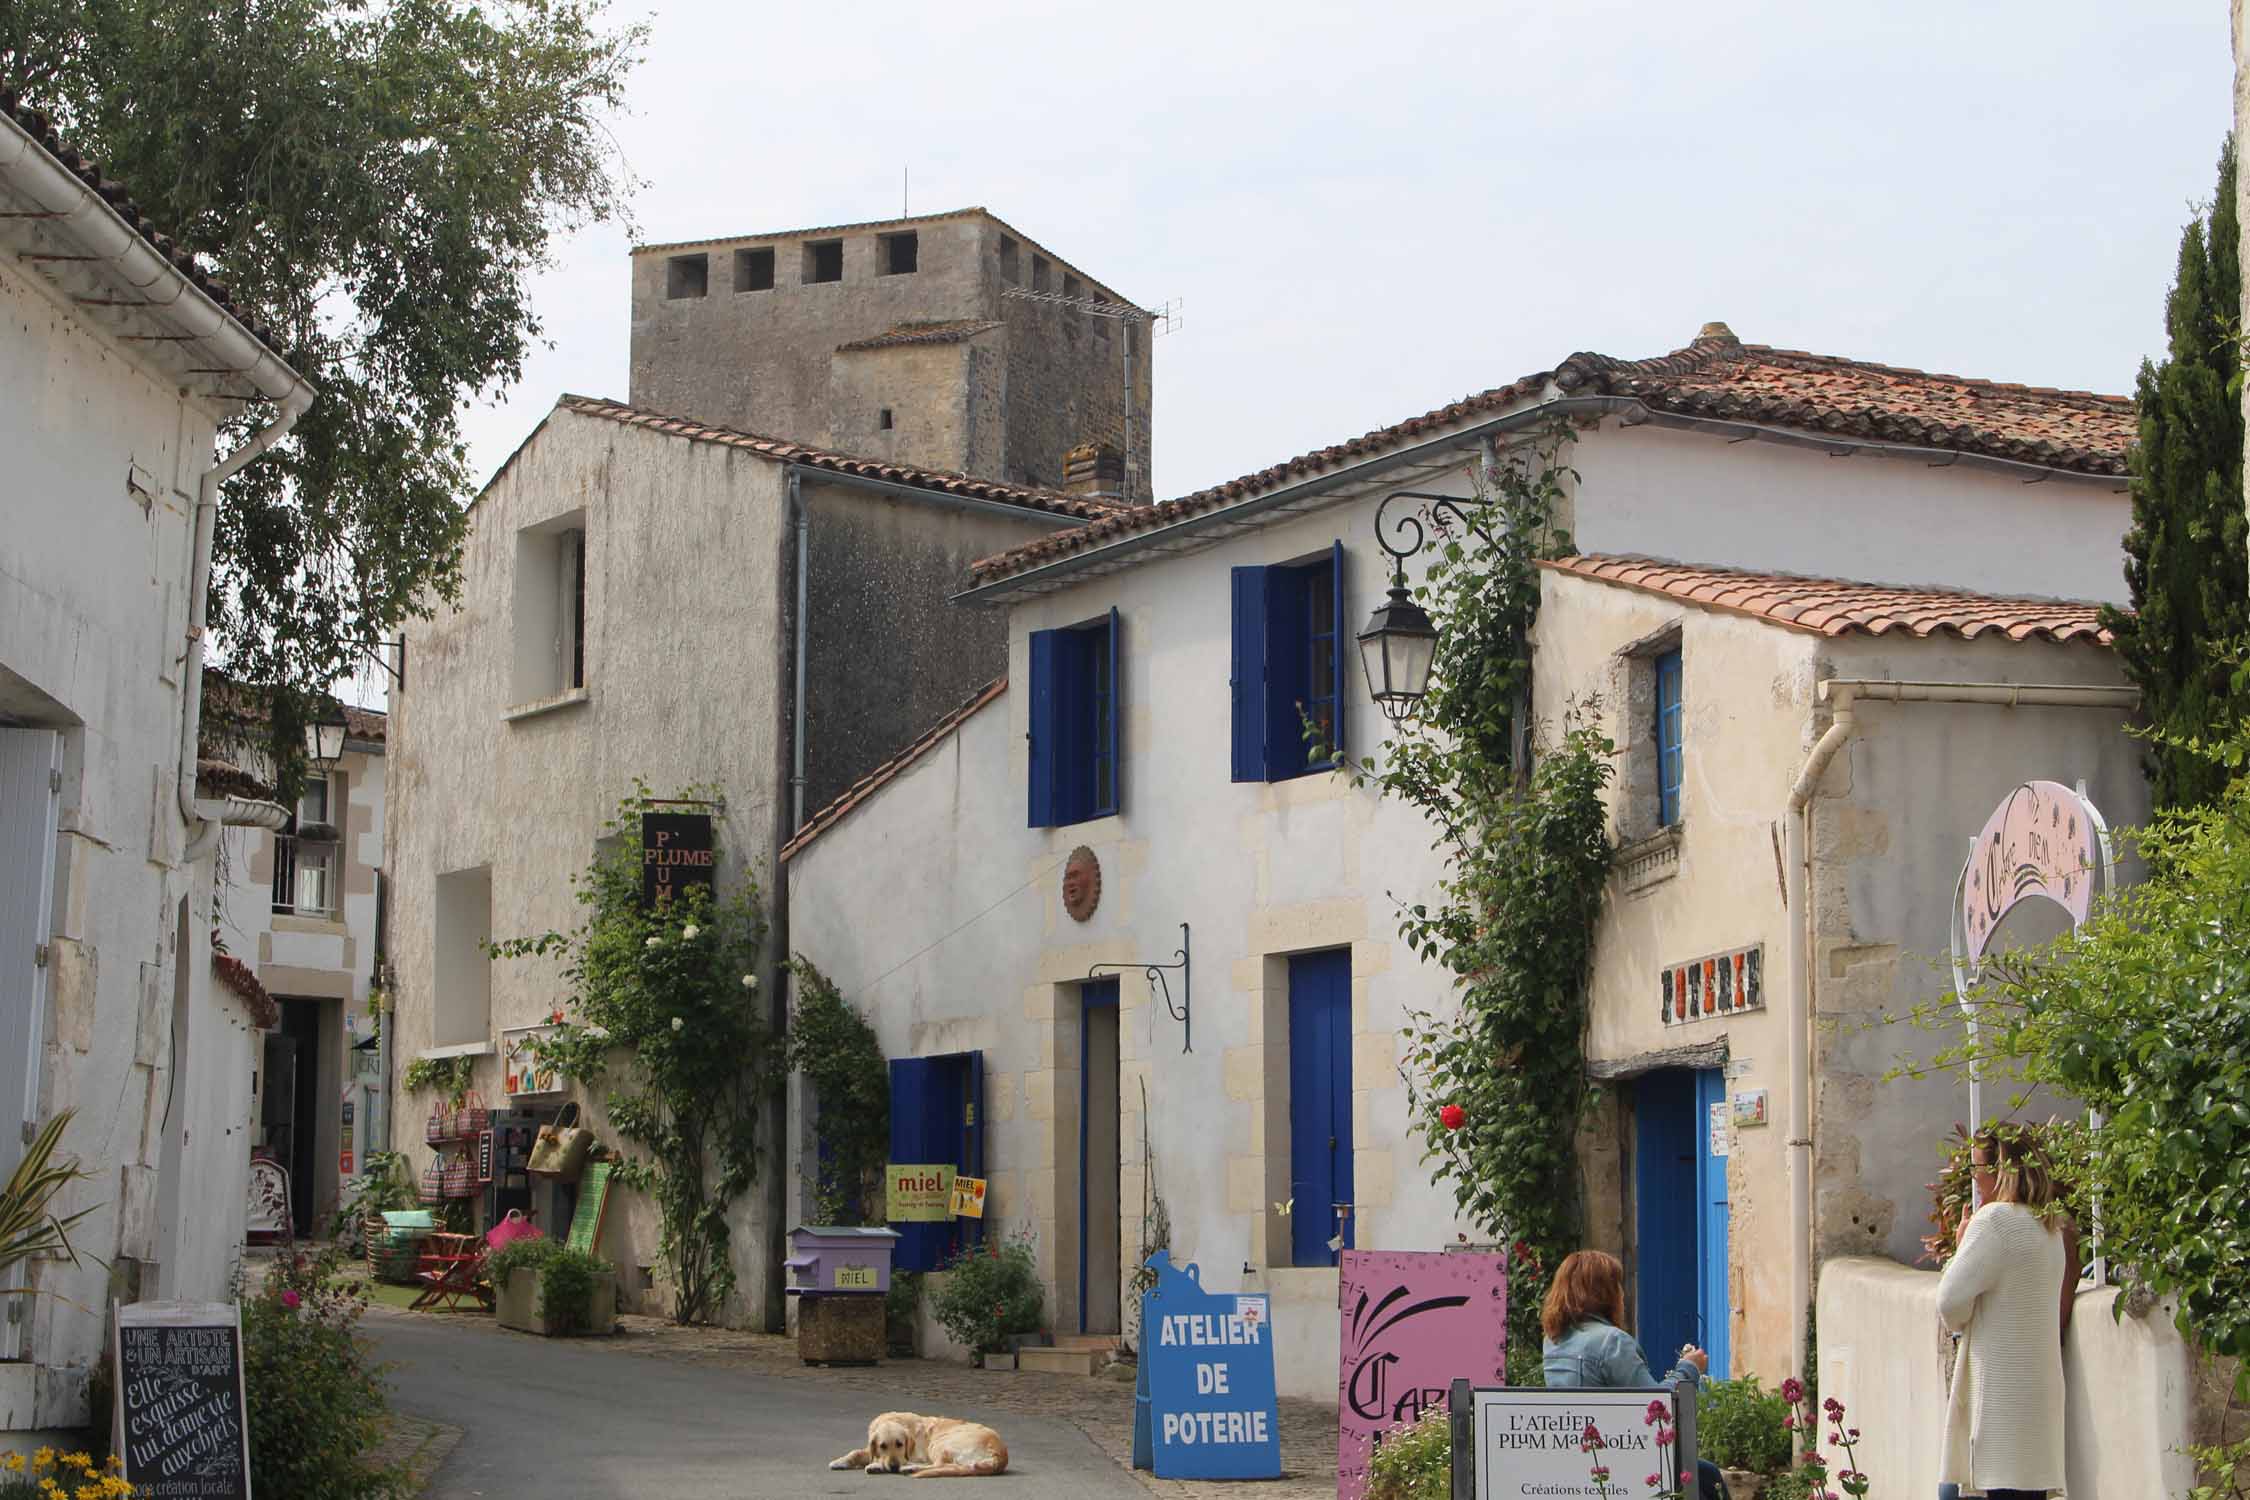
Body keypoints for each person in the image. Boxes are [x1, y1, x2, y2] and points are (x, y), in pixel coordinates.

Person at [1935, 1127, 2069, 1500]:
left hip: (1995, 1407)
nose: (1973, 1176)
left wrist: (1961, 1248)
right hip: (2037, 1406)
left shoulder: (1994, 1221)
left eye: (1976, 1167)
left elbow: (1950, 1301)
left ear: (2000, 1169)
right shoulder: (2049, 1228)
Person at [1541, 1249, 1724, 1500]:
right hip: (1620, 1457)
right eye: (1618, 1285)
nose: (1623, 1293)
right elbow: (1657, 1404)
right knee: (1706, 1479)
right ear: (1604, 1293)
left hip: (1576, 1455)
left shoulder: (1554, 1340)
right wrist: (1689, 1367)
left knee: (1706, 1473)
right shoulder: (1611, 1342)